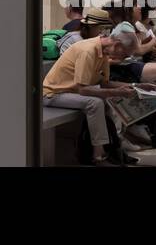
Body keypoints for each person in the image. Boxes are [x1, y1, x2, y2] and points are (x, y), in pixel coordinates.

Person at [40, 23, 140, 166]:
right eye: (125, 54)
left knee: (109, 99)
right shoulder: (88, 51)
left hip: (70, 92)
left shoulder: (103, 52)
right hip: (53, 94)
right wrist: (117, 91)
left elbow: (104, 84)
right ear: (117, 45)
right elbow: (83, 89)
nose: (124, 58)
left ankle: (115, 147)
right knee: (95, 103)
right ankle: (99, 156)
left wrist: (136, 87)